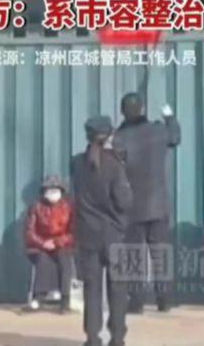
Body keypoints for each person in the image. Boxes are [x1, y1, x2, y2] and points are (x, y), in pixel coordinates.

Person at [113, 93, 181, 314]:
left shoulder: (119, 137)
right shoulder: (158, 130)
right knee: (160, 252)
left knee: (134, 253)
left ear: (122, 112)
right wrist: (169, 117)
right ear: (143, 109)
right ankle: (165, 299)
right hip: (158, 203)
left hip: (131, 205)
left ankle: (136, 301)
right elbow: (175, 137)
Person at [72, 116, 134, 346]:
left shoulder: (76, 163)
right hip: (114, 235)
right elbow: (124, 202)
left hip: (87, 234)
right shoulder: (115, 165)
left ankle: (92, 337)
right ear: (109, 136)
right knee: (118, 289)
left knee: (92, 289)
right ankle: (117, 338)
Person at [25, 175, 74, 313]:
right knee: (43, 259)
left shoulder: (69, 207)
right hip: (41, 245)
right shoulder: (36, 207)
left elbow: (73, 233)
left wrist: (57, 242)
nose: (53, 193)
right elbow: (29, 233)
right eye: (50, 190)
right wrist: (43, 243)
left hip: (62, 244)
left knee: (64, 259)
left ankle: (65, 299)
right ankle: (38, 297)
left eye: (56, 190)